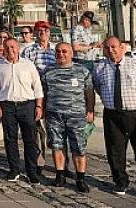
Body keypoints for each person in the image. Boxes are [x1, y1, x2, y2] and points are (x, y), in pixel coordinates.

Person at [94, 36, 136, 198]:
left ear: (122, 47)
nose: (111, 50)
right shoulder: (100, 67)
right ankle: (120, 182)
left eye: (114, 47)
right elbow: (98, 87)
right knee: (115, 151)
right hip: (113, 115)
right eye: (107, 48)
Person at [0, 39, 44, 184]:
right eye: (7, 47)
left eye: (13, 47)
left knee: (30, 140)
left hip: (27, 105)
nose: (10, 50)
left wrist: (39, 106)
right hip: (7, 106)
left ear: (18, 47)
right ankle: (14, 170)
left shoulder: (28, 65)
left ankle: (32, 171)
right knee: (10, 139)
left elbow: (37, 87)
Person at [42, 42, 94, 192]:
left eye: (64, 51)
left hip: (76, 116)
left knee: (79, 147)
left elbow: (89, 92)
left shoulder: (82, 71)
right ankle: (60, 175)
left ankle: (80, 178)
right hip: (54, 115)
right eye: (58, 51)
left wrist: (90, 111)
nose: (61, 54)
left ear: (71, 53)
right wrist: (43, 110)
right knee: (57, 145)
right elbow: (44, 93)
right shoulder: (48, 71)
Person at [21, 21, 57, 177]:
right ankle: (39, 161)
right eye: (40, 30)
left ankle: (61, 165)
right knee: (37, 129)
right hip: (36, 93)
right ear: (35, 33)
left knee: (55, 129)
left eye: (45, 30)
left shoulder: (56, 50)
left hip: (53, 94)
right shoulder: (28, 51)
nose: (43, 33)